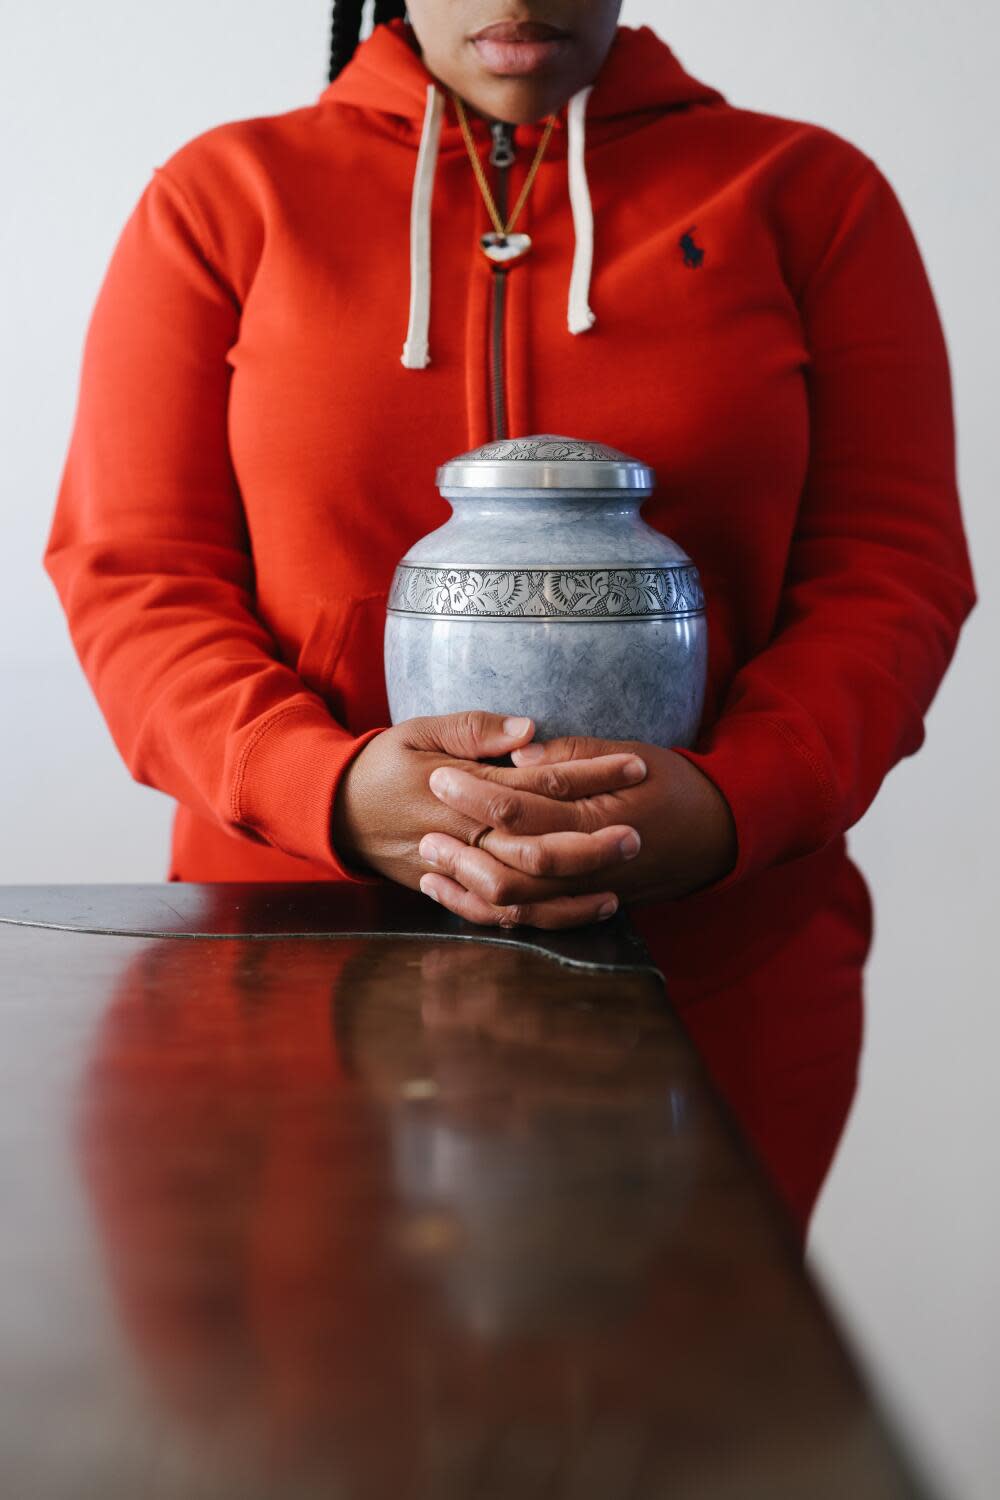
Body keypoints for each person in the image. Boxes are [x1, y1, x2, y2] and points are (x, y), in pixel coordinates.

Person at [43, 0, 977, 1237]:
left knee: (690, 1408)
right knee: (306, 1398)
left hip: (724, 959)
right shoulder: (226, 196)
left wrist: (731, 802)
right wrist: (324, 785)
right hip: (285, 945)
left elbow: (891, 569)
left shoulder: (808, 193)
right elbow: (136, 574)